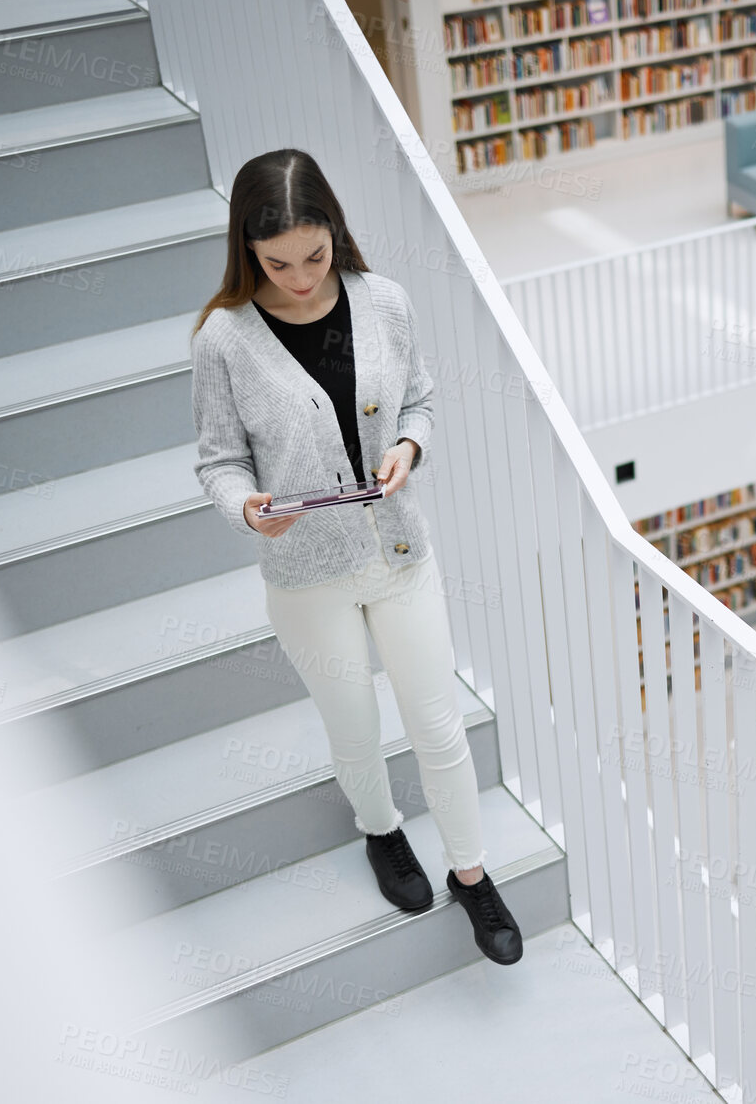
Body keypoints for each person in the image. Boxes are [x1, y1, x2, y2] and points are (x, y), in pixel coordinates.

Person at [188, 149, 520, 966]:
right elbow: (219, 461)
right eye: (278, 262)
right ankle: (381, 833)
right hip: (304, 574)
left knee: (438, 724)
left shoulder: (386, 304)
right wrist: (245, 508)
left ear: (335, 233)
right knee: (354, 725)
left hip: (399, 551)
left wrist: (410, 446)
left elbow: (421, 399)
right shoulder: (223, 340)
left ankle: (472, 875)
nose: (301, 277)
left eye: (316, 254)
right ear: (247, 251)